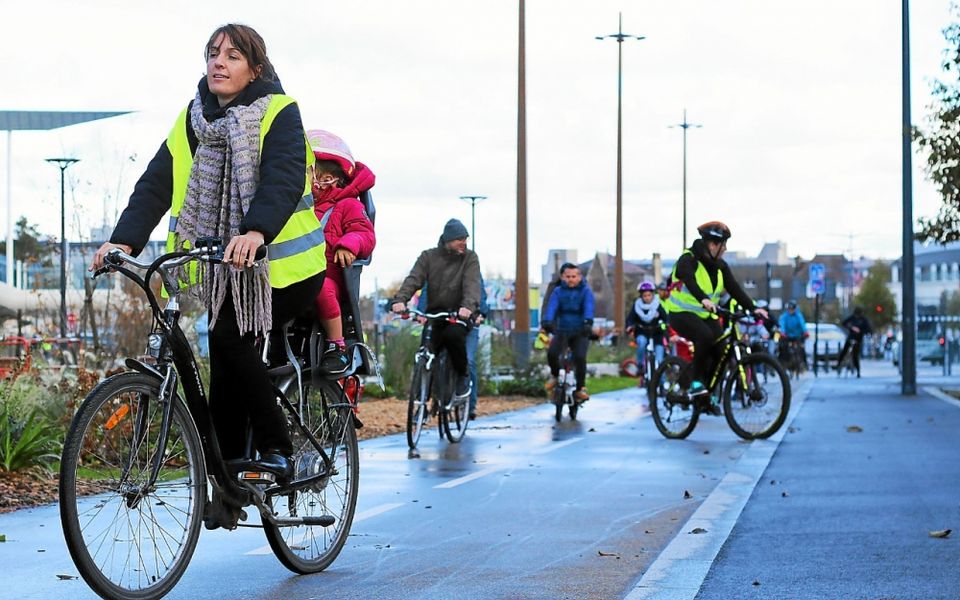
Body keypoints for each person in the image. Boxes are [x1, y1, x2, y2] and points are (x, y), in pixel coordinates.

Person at [90, 25, 326, 507]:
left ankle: (280, 450)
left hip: (287, 272)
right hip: (223, 273)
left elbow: (281, 179)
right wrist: (123, 240)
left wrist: (256, 231)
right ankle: (231, 473)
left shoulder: (280, 113)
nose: (219, 62)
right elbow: (156, 182)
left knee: (229, 341)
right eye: (213, 53)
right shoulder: (193, 120)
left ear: (255, 69)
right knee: (221, 354)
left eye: (233, 55)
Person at [663, 221, 768, 415]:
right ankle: (695, 383)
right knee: (705, 337)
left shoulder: (720, 266)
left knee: (721, 348)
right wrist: (703, 298)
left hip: (705, 314)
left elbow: (735, 288)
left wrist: (754, 308)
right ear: (712, 244)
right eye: (723, 245)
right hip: (680, 314)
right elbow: (690, 281)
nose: (725, 249)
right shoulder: (688, 259)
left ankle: (706, 395)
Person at [306, 129, 376, 374]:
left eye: (325, 178)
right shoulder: (295, 208)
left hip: (329, 275)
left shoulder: (347, 205)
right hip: (295, 273)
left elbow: (365, 234)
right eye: (312, 176)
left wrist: (348, 244)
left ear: (339, 179)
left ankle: (336, 344)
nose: (316, 184)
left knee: (320, 287)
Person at [391, 219, 481, 399]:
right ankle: (420, 402)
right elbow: (414, 279)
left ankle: (462, 377)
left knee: (453, 337)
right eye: (459, 239)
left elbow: (472, 285)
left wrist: (467, 307)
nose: (464, 243)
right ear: (448, 240)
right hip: (435, 315)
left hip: (458, 315)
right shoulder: (428, 257)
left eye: (465, 239)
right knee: (426, 351)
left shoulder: (470, 258)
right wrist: (400, 300)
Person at [541, 263, 595, 402]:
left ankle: (580, 388)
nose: (571, 279)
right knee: (552, 353)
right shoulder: (558, 291)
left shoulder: (585, 291)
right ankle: (555, 375)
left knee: (580, 357)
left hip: (580, 331)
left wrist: (587, 322)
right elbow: (552, 307)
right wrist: (547, 322)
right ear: (562, 277)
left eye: (573, 276)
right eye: (568, 276)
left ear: (579, 277)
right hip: (562, 329)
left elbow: (588, 307)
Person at [626, 281, 667, 380]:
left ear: (653, 295)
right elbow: (630, 318)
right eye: (645, 296)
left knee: (660, 359)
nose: (647, 298)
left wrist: (666, 323)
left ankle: (662, 383)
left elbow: (666, 317)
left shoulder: (658, 304)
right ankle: (640, 365)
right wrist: (629, 326)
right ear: (641, 296)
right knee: (641, 342)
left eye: (649, 295)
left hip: (657, 333)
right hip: (642, 332)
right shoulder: (637, 306)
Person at [836, 306, 872, 376]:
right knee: (844, 351)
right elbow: (844, 323)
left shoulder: (863, 320)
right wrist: (851, 327)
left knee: (855, 355)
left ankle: (858, 371)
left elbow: (868, 329)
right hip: (851, 337)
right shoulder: (852, 318)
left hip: (858, 339)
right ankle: (839, 365)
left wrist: (861, 331)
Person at [778, 300, 808, 365]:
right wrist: (782, 332)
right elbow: (782, 324)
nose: (791, 310)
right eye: (790, 309)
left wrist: (805, 332)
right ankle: (782, 362)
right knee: (783, 348)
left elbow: (802, 324)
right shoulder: (784, 316)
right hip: (787, 336)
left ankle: (804, 363)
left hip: (797, 335)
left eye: (792, 309)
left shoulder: (798, 315)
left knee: (801, 348)